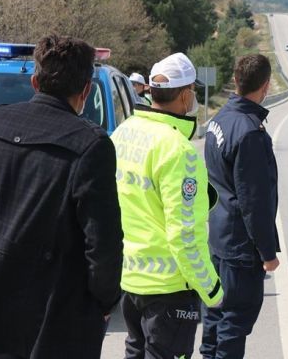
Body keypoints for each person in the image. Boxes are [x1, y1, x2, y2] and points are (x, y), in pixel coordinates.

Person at [0, 35, 123, 358]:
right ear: (86, 91)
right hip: (57, 315)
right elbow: (103, 244)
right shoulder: (91, 145)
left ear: (35, 82)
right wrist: (106, 301)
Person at [111, 52, 223, 359]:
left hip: (130, 282)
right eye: (194, 93)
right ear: (185, 95)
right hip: (169, 290)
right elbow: (184, 233)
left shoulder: (122, 134)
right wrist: (211, 288)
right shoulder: (177, 149)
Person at [201, 54, 280, 359]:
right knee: (232, 326)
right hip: (239, 248)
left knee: (214, 321)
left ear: (235, 80)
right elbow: (254, 202)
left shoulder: (219, 119)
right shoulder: (250, 132)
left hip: (218, 238)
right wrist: (267, 253)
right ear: (266, 86)